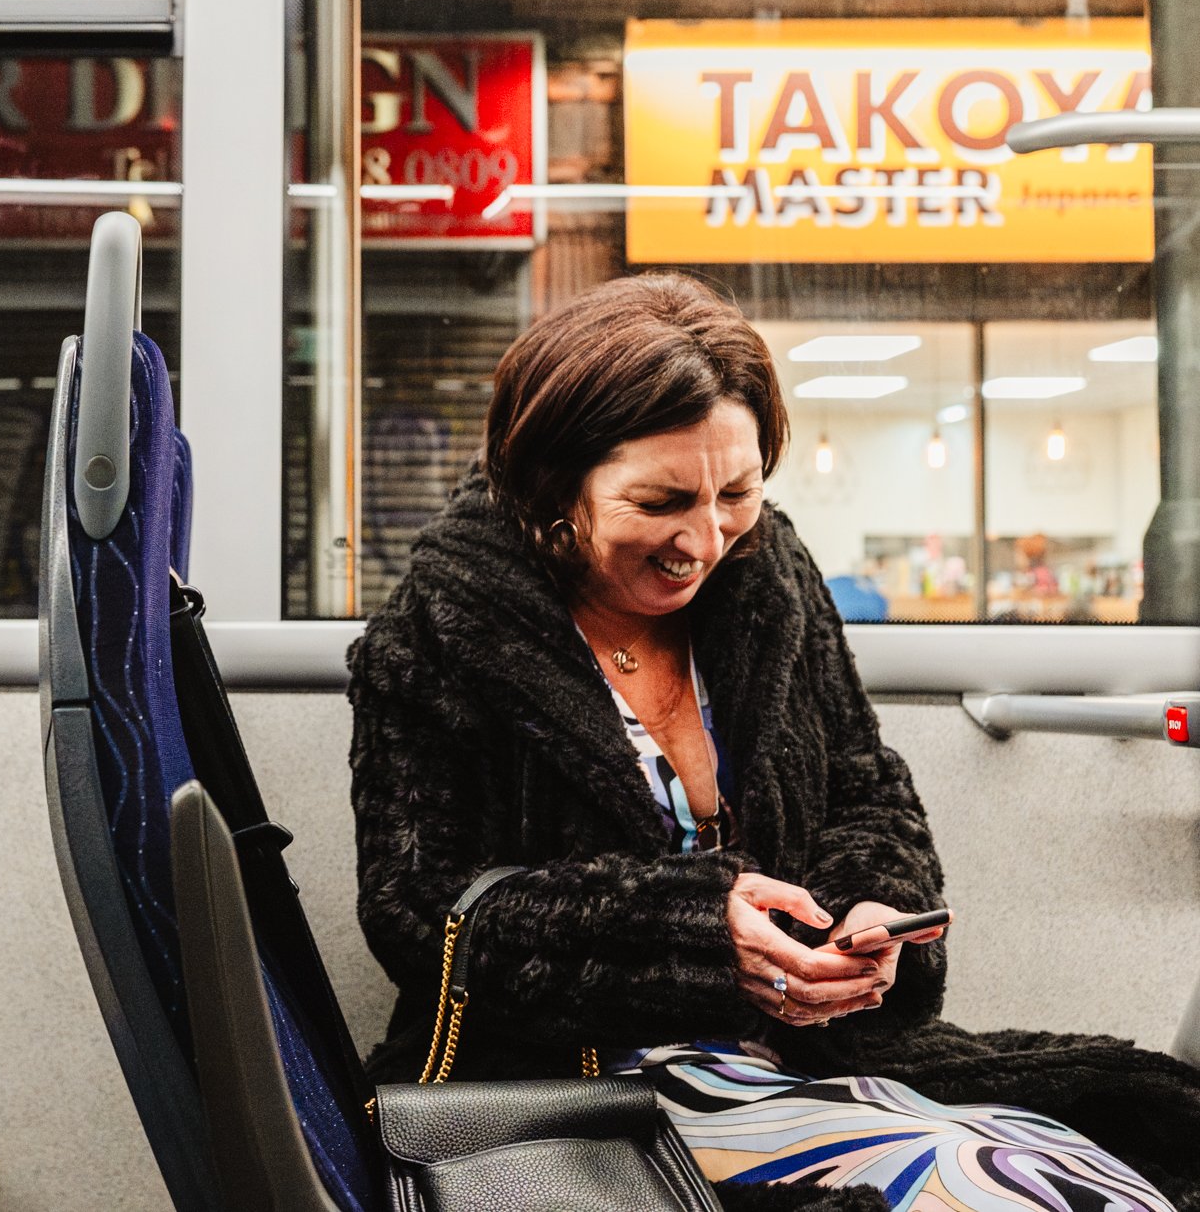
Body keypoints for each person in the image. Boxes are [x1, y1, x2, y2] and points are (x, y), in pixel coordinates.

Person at [348, 274, 1200, 1212]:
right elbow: (415, 909)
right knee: (987, 1189)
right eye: (661, 500)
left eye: (737, 492)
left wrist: (868, 911)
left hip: (804, 1057)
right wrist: (696, 936)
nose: (705, 539)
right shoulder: (441, 628)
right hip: (577, 1092)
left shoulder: (771, 578)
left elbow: (866, 789)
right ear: (557, 487)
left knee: (1113, 1168)